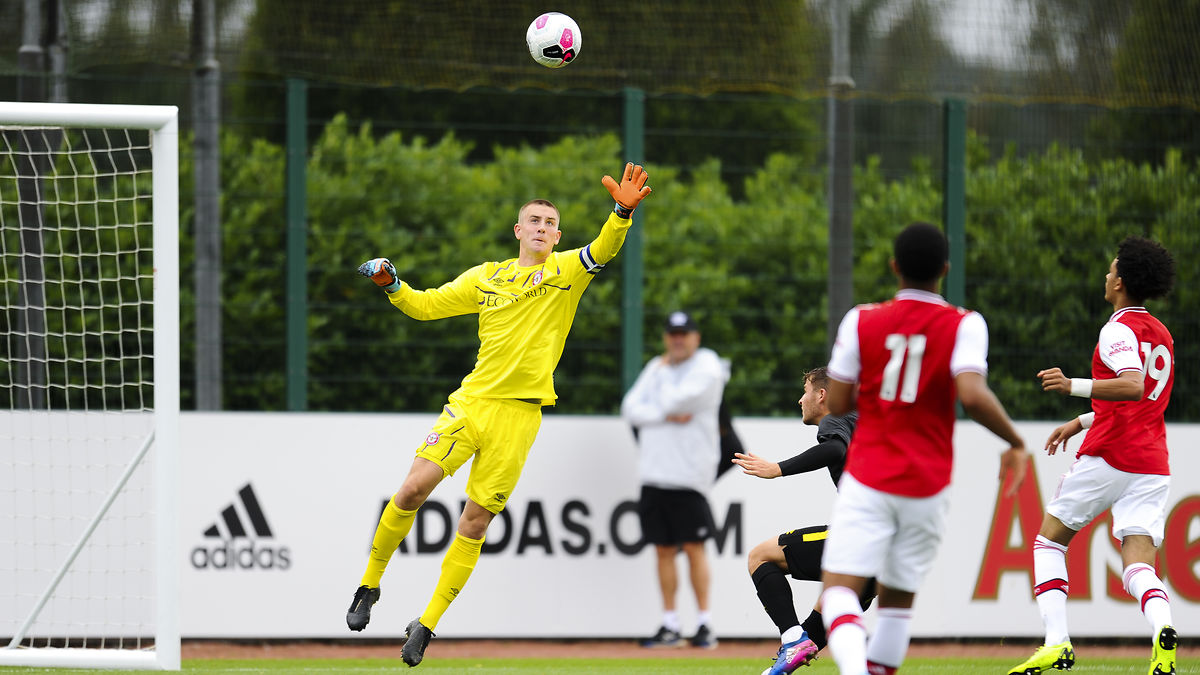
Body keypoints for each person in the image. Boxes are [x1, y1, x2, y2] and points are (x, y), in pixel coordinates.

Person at [345, 163, 652, 668]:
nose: (541, 228)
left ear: (557, 236)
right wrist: (391, 283)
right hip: (472, 404)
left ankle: (426, 624)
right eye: (533, 220)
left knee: (474, 522)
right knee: (410, 490)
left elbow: (606, 249)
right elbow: (424, 307)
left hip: (520, 417)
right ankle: (369, 586)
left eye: (550, 224)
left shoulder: (568, 271)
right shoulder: (485, 277)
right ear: (518, 230)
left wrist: (620, 212)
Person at [818, 222, 1029, 675]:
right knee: (896, 605)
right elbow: (972, 395)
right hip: (927, 485)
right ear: (945, 271)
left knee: (837, 592)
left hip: (870, 476)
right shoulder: (966, 324)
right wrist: (1015, 440)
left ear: (894, 267)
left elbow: (836, 403)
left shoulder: (862, 319)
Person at [1008, 236, 1178, 675]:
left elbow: (1132, 385)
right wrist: (1081, 421)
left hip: (1112, 454)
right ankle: (1164, 631)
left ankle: (1057, 643)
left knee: (1048, 541)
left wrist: (1072, 386)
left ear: (1120, 281)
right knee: (1138, 562)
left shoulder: (1117, 328)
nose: (1106, 276)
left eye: (1109, 270)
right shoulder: (1161, 333)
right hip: (1152, 462)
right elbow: (1143, 401)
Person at [733, 366, 874, 675]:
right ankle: (785, 659)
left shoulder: (835, 417)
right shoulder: (860, 421)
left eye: (806, 390)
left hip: (863, 538)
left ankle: (792, 637)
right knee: (813, 631)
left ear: (822, 395)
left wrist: (777, 469)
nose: (801, 399)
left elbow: (834, 448)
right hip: (889, 549)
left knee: (760, 556)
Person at [621, 310, 728, 649]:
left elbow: (672, 399)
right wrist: (666, 414)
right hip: (655, 473)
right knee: (663, 550)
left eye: (684, 333)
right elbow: (630, 408)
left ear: (696, 337)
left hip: (688, 475)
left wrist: (660, 404)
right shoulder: (658, 366)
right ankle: (670, 624)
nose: (678, 340)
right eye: (672, 334)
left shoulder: (707, 366)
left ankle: (704, 624)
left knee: (695, 548)